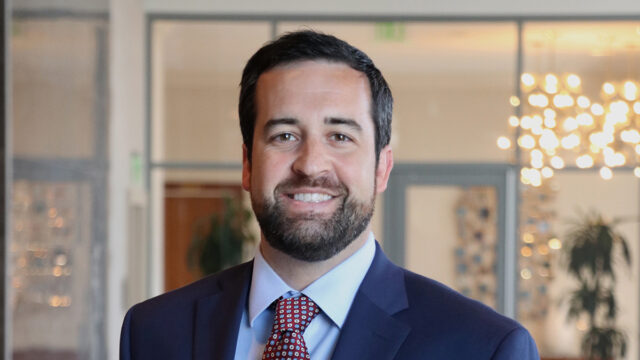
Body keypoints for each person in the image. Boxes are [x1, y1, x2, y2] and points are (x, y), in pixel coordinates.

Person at [120, 30, 539, 360]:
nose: (311, 164)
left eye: (339, 136)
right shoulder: (153, 332)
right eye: (284, 135)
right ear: (248, 164)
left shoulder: (483, 348)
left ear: (382, 167)